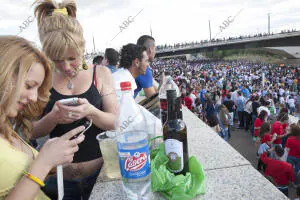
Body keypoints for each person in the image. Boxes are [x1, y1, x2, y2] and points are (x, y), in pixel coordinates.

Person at [32, 1, 117, 199]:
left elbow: (116, 122)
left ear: (82, 47)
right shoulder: (42, 79)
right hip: (59, 180)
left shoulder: (101, 73)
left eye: (72, 58)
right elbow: (32, 130)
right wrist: (53, 117)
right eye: (57, 60)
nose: (66, 67)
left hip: (101, 174)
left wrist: (91, 111)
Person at [0, 36, 85, 199]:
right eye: (29, 86)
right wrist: (44, 162)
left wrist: (53, 159)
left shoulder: (5, 126)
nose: (33, 97)